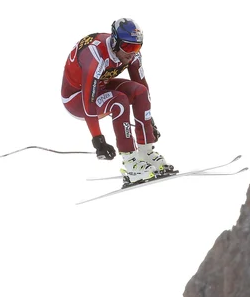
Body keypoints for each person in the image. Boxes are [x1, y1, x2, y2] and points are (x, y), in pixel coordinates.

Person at [61, 18, 174, 185]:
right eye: (128, 47)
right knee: (119, 101)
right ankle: (130, 162)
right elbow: (88, 100)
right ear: (114, 42)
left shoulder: (132, 55)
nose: (131, 53)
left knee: (140, 92)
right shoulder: (95, 54)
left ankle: (145, 152)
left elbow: (142, 86)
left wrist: (148, 124)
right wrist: (98, 140)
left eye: (137, 47)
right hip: (77, 98)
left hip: (100, 86)